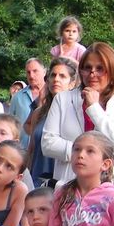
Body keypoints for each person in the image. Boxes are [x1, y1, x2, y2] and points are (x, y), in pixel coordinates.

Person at [41, 43, 114, 184]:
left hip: (109, 187)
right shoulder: (63, 99)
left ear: (112, 71)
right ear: (81, 71)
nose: (92, 73)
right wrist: (92, 154)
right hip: (69, 183)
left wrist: (94, 108)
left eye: (100, 69)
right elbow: (48, 144)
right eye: (87, 68)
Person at [24, 56, 78, 186]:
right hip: (37, 179)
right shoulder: (39, 113)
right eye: (53, 75)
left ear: (72, 83)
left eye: (62, 76)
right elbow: (31, 150)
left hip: (63, 180)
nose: (56, 79)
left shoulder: (77, 114)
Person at [9, 57, 46, 146]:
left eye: (35, 71)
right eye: (28, 72)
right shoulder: (17, 97)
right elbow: (10, 124)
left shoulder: (53, 95)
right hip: (22, 150)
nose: (31, 75)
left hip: (45, 150)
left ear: (44, 72)